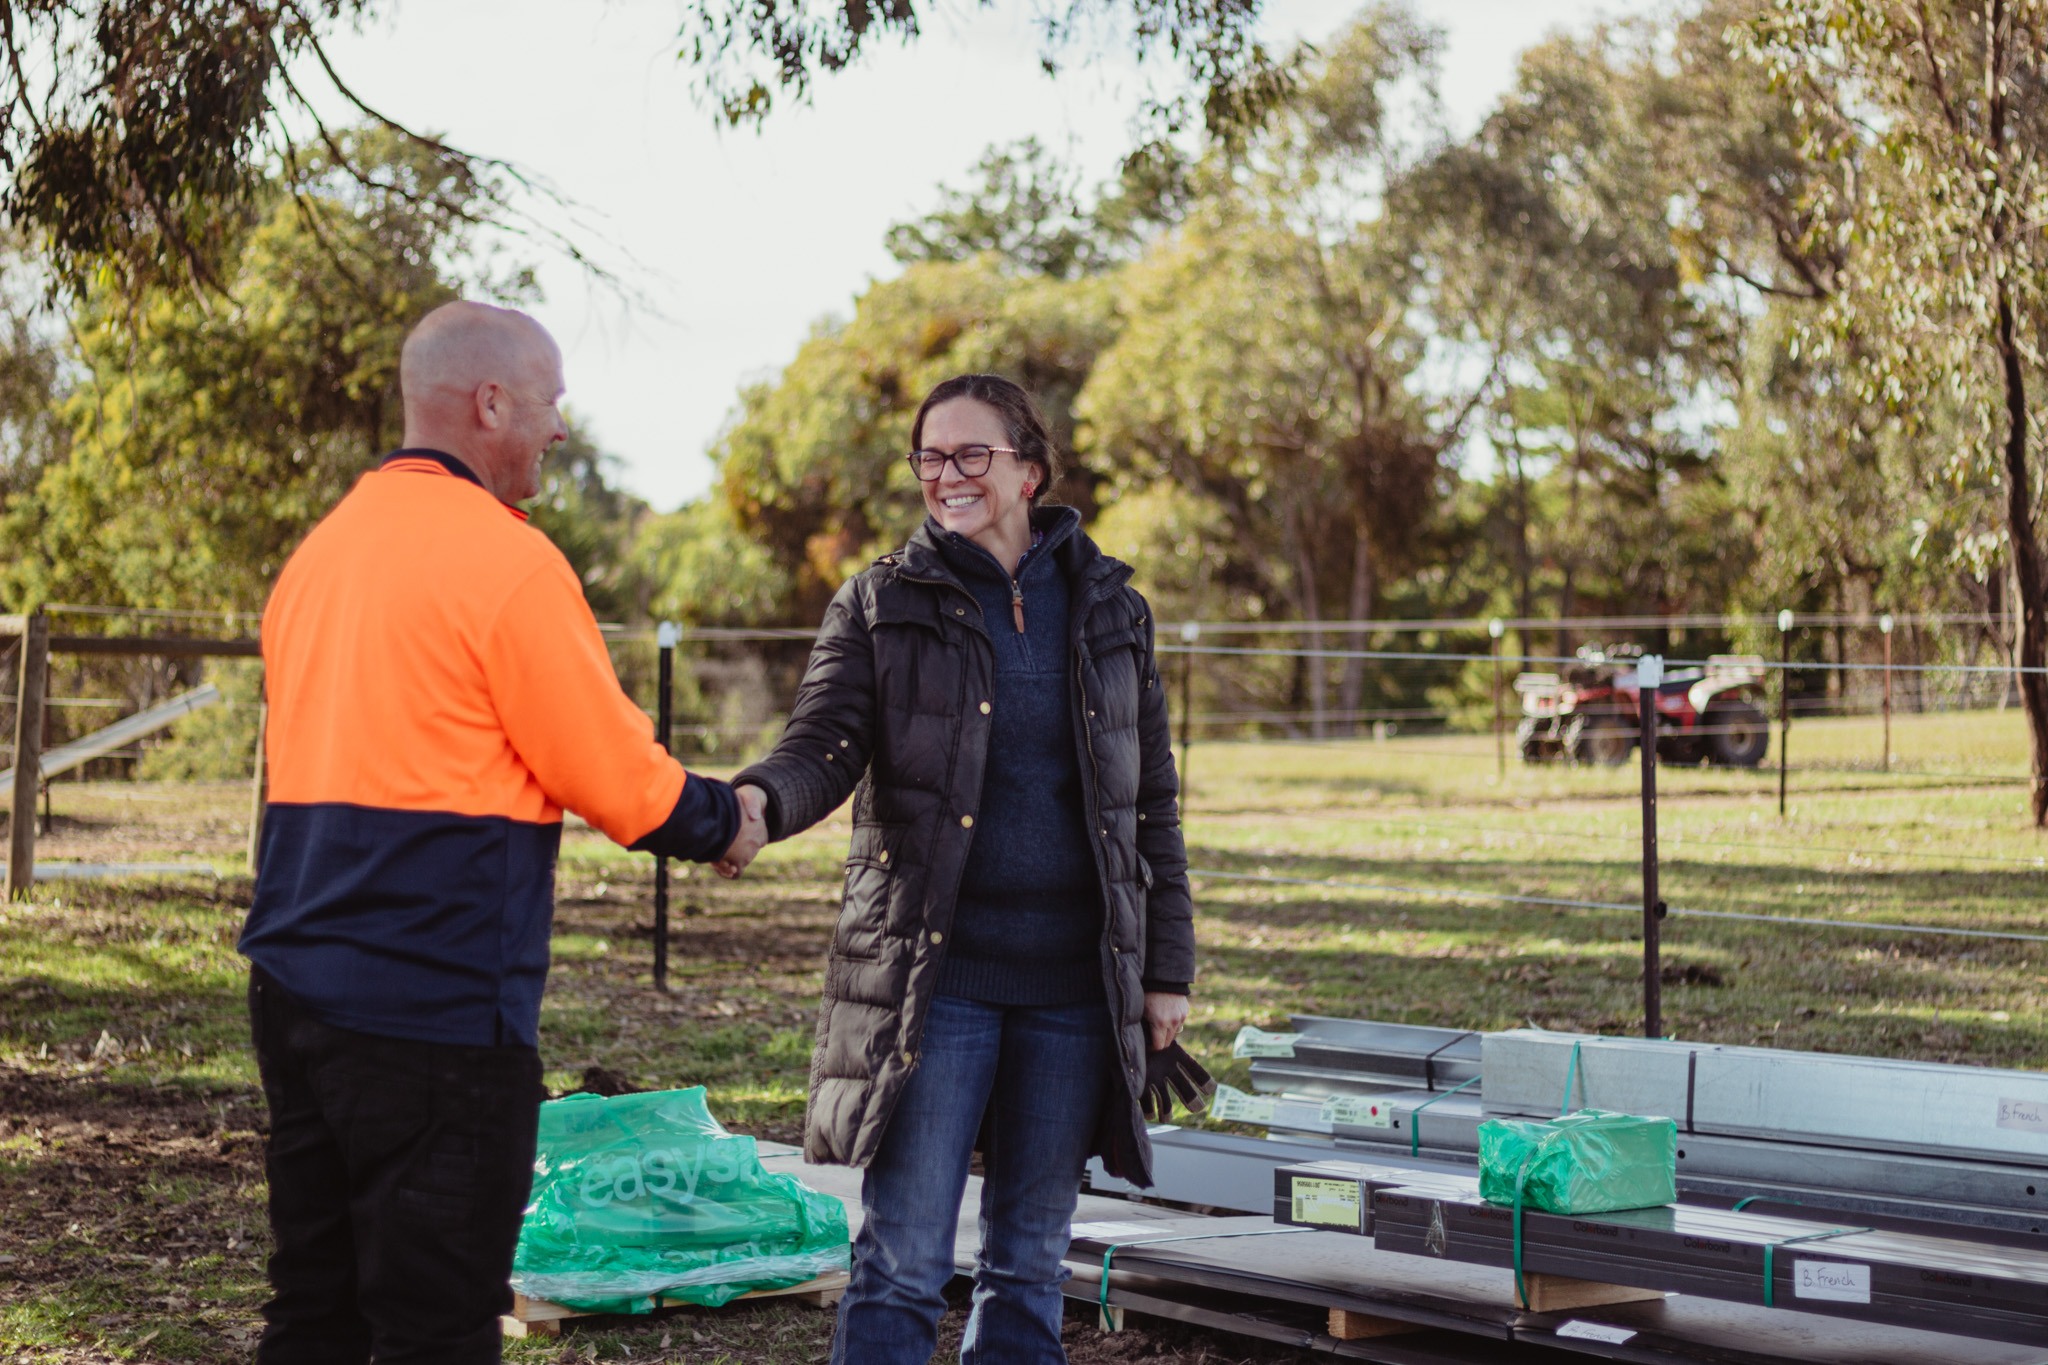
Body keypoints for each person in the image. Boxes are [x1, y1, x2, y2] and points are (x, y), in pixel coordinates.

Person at [238, 300, 768, 1364]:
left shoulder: (322, 554)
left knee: (315, 1311)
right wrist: (730, 814)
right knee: (435, 1325)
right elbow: (621, 784)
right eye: (550, 403)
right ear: (489, 402)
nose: (559, 430)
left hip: (294, 989)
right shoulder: (507, 562)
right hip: (431, 1006)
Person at [730, 373, 1195, 1364]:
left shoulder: (1111, 607)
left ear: (1029, 469)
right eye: (930, 458)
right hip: (932, 986)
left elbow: (1149, 804)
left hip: (1074, 987)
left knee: (1029, 1261)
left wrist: (1166, 972)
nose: (947, 475)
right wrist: (759, 805)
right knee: (901, 1258)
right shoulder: (880, 603)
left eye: (970, 455)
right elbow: (822, 742)